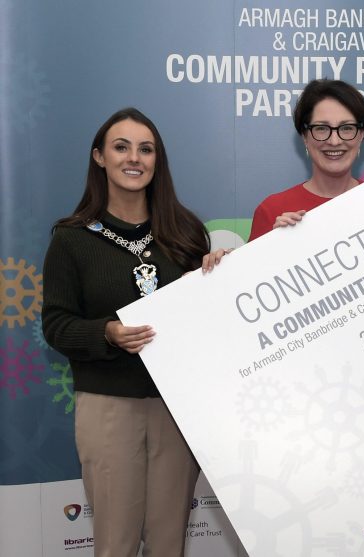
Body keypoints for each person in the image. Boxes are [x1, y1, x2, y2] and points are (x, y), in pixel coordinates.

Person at [42, 108, 225, 557]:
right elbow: (56, 325)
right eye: (121, 147)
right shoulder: (71, 238)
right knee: (116, 544)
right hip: (108, 408)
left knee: (168, 544)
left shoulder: (185, 231)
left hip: (176, 410)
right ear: (99, 157)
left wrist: (217, 280)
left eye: (146, 149)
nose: (134, 158)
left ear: (157, 160)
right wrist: (107, 333)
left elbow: (206, 322)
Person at [248, 78, 364, 239]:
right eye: (321, 128)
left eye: (347, 128)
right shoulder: (271, 210)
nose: (334, 141)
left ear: (361, 134)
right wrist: (271, 247)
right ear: (305, 136)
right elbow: (250, 268)